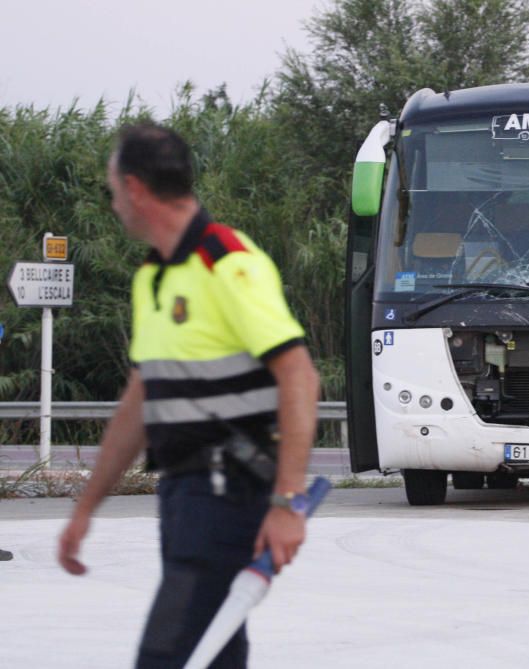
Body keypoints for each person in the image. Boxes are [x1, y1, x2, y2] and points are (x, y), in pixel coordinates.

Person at [57, 124, 320, 668]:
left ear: (134, 189)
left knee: (167, 654)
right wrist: (85, 509)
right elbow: (139, 403)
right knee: (216, 654)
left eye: (111, 192)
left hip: (228, 489)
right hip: (182, 495)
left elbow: (299, 375)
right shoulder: (152, 277)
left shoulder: (226, 260)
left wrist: (287, 502)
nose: (112, 205)